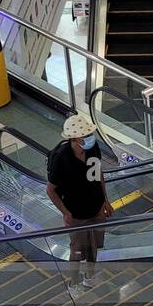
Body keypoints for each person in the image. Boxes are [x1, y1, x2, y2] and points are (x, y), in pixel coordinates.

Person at [46, 112, 113, 296]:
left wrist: (105, 200)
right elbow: (51, 189)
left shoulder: (93, 148)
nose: (90, 138)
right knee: (76, 251)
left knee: (94, 245)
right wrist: (66, 213)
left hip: (97, 209)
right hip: (76, 214)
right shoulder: (61, 157)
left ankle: (90, 276)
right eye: (86, 135)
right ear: (75, 138)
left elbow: (98, 173)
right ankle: (73, 283)